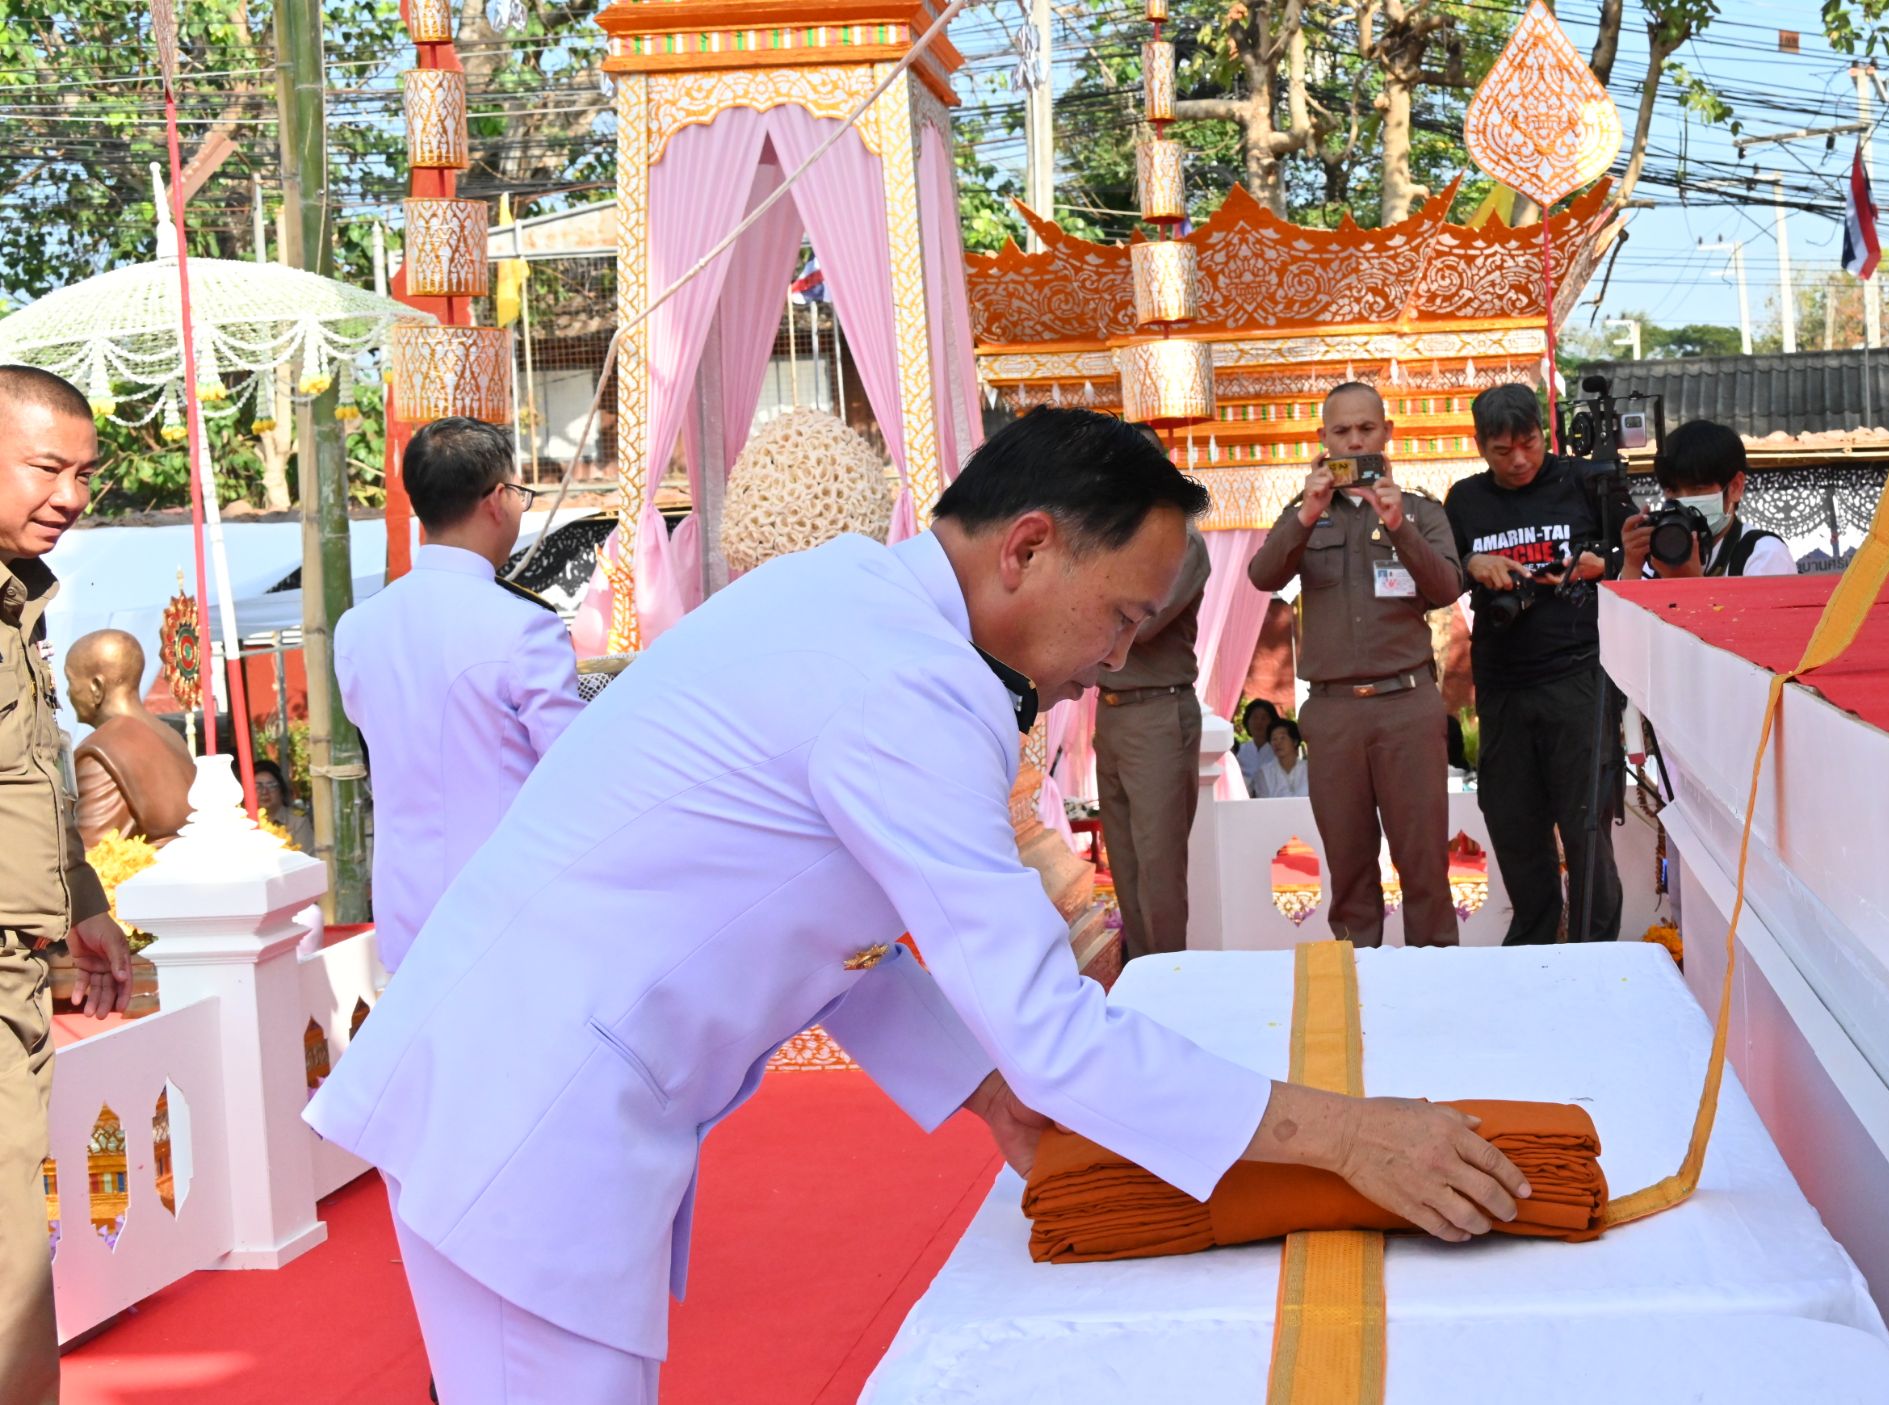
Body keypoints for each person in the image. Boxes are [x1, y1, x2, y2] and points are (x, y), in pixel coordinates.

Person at [303, 407, 1529, 1401]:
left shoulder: (852, 599)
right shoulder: (909, 679)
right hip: (524, 1117)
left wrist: (987, 1091)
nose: (1115, 657)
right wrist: (1351, 1136)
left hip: (522, 1083)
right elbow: (1051, 1030)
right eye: (1120, 616)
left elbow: (841, 939)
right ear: (1028, 547)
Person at [334, 416, 584, 973]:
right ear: (495, 500)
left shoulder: (357, 628)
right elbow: (573, 766)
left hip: (404, 912)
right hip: (508, 911)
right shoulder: (525, 626)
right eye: (519, 492)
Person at [0, 364, 133, 1405]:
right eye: (47, 468)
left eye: (84, 473)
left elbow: (34, 772)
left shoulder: (22, 605)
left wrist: (83, 903)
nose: (71, 496)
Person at [1247, 383, 1465, 947]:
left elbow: (1446, 587)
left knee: (1424, 870)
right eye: (1341, 431)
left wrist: (1398, 524)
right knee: (1348, 875)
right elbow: (1263, 575)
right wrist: (1307, 512)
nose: (1354, 441)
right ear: (1322, 439)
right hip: (1334, 714)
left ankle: (1436, 989)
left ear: (1387, 433)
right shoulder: (1304, 514)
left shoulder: (1419, 510)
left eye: (1366, 429)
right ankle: (1354, 991)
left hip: (1407, 707)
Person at [1443, 384, 1624, 945]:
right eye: (1502, 451)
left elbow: (1640, 555)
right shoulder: (1465, 500)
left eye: (1530, 444)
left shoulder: (1586, 482)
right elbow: (1440, 574)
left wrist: (1602, 564)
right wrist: (1473, 562)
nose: (1519, 460)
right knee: (1514, 826)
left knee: (1586, 827)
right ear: (1480, 446)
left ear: (1545, 433)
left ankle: (1596, 954)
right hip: (1502, 687)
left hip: (1579, 678)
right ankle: (1534, 950)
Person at [1093, 522, 1209, 960]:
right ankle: (1144, 977)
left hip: (1158, 711)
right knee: (1124, 865)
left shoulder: (1182, 541)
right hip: (1111, 709)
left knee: (1159, 870)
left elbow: (1140, 626)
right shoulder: (1108, 533)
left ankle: (1170, 984)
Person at [63, 628, 197, 846]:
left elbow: (95, 855)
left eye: (71, 681)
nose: (68, 693)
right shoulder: (171, 736)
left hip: (142, 867)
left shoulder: (101, 752)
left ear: (96, 687)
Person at [1620, 419, 1798, 579]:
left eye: (1698, 489)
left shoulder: (1763, 554)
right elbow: (1624, 607)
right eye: (1672, 490)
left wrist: (1690, 583)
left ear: (1735, 487)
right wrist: (1632, 565)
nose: (1683, 500)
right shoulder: (1659, 553)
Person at [253, 757, 315, 852]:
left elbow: (307, 857)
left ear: (281, 790)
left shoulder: (298, 822)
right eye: (258, 786)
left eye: (271, 785)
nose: (264, 792)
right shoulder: (243, 822)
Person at [1255, 717, 1310, 799]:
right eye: (1274, 739)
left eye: (1282, 738)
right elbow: (1263, 802)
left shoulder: (1309, 769)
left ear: (1295, 741)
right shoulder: (1264, 772)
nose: (1278, 743)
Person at [1234, 697, 1281, 780]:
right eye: (1255, 717)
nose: (1259, 722)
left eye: (1264, 718)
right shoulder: (1240, 751)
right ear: (1247, 721)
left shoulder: (1280, 750)